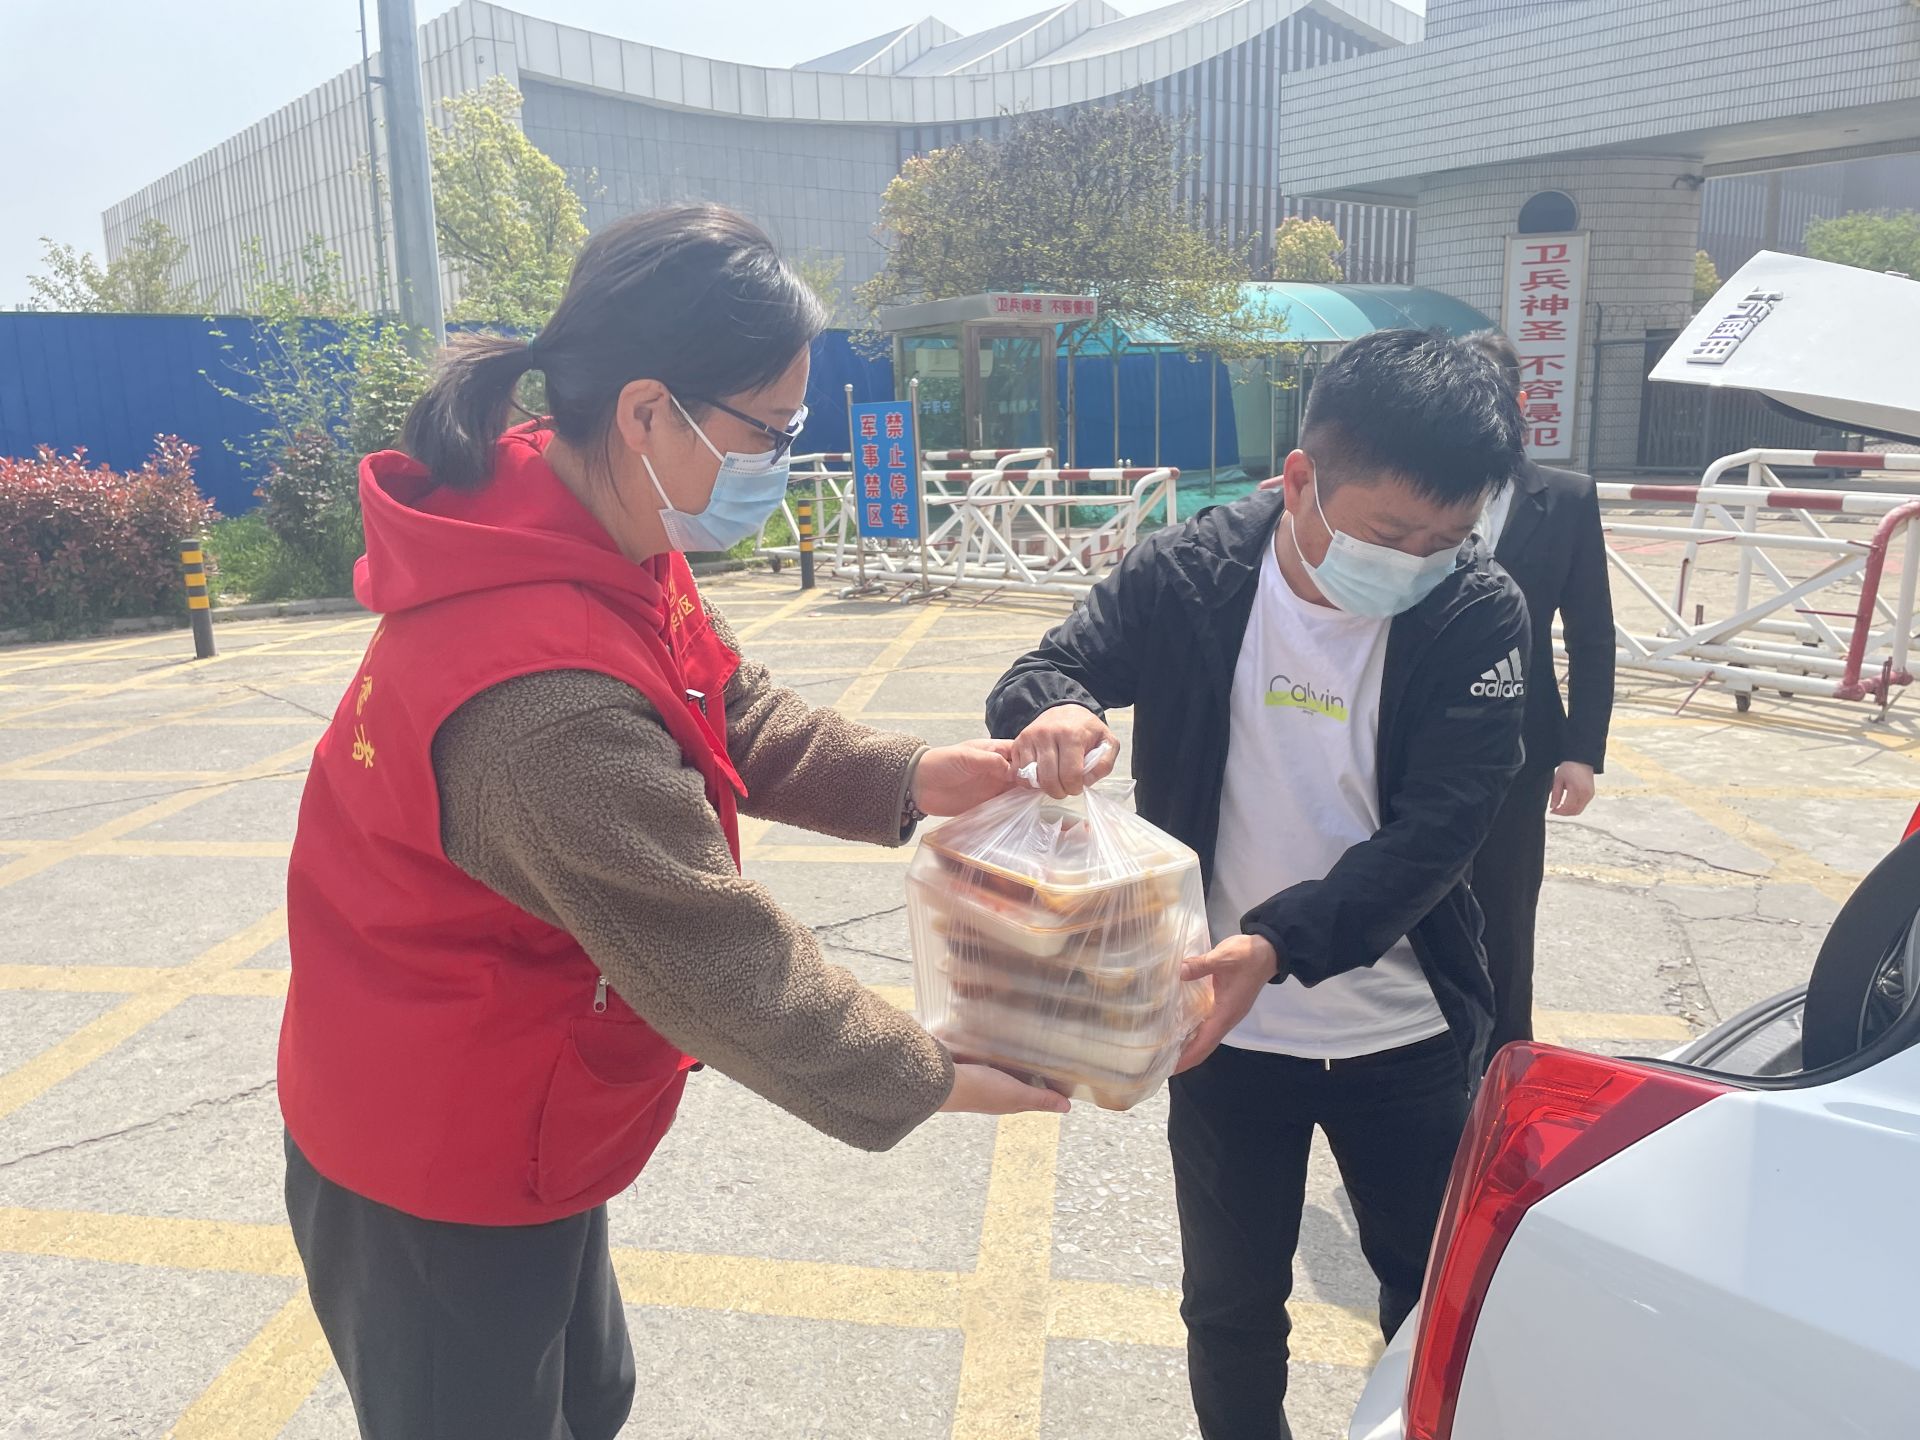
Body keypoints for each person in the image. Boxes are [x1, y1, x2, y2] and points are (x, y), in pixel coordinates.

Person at [278, 203, 1066, 1440]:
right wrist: (925, 1073)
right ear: (648, 410)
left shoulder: (595, 516)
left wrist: (918, 777)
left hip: (517, 1088)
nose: (784, 459)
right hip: (435, 1152)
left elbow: (727, 703)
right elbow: (711, 955)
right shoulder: (542, 706)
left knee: (589, 1398)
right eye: (771, 429)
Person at [986, 329, 1531, 1440]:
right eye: (1391, 533)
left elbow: (1441, 833)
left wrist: (1275, 946)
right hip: (1222, 1032)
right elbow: (1047, 669)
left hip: (1405, 1036)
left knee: (1433, 1305)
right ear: (1299, 479)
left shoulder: (1476, 609)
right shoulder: (1192, 572)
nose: (1416, 562)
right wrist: (1061, 713)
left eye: (1446, 539)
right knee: (1231, 1308)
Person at [1461, 330, 1616, 1056]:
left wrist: (1582, 751)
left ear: (1518, 402)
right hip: (1415, 735)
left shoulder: (1569, 499)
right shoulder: (1416, 489)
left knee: (1507, 907)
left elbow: (1591, 634)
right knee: (1411, 903)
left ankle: (1503, 1063)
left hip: (1523, 743)